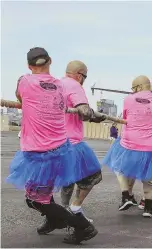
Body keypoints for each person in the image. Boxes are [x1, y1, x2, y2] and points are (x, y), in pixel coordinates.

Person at [6, 47, 97, 244]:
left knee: (35, 200)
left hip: (40, 153)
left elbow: (20, 97)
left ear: (29, 65)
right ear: (50, 61)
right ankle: (55, 220)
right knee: (40, 197)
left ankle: (83, 227)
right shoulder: (60, 85)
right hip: (60, 150)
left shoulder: (24, 81)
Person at [103, 75, 152, 218]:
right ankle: (148, 208)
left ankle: (126, 195)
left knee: (118, 166)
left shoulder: (129, 99)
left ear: (138, 87)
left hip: (132, 144)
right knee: (149, 177)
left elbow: (126, 118)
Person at [58, 60, 105, 226]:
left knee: (68, 178)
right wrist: (96, 116)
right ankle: (75, 207)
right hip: (72, 142)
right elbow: (85, 112)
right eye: (84, 77)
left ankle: (63, 210)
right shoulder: (74, 86)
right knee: (94, 176)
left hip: (55, 141)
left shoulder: (57, 84)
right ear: (79, 75)